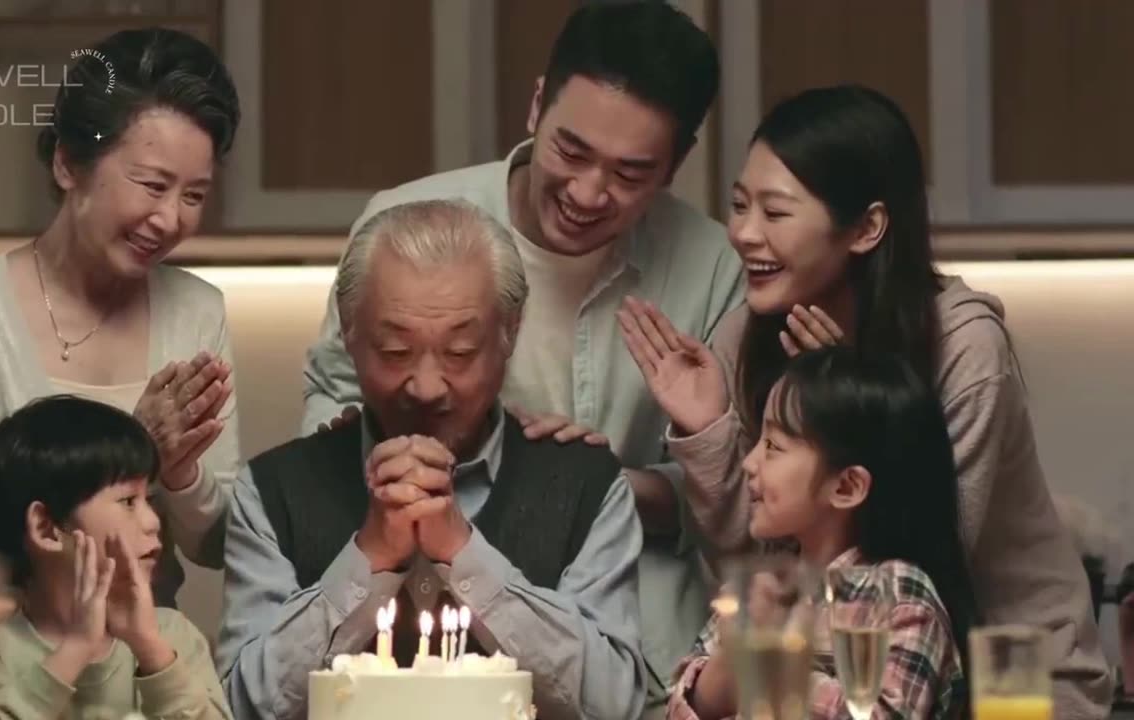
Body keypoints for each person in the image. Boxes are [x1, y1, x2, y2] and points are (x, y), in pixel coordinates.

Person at [619, 84, 1113, 718]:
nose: (742, 233)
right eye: (740, 205)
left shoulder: (964, 346)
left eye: (776, 212)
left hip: (1017, 677)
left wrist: (842, 402)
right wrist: (710, 431)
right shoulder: (745, 335)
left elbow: (923, 555)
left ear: (867, 228)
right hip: (814, 670)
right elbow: (761, 569)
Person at [299, 2, 743, 706]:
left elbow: (731, 501)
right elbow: (326, 417)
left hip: (631, 656)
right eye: (572, 150)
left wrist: (593, 488)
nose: (589, 192)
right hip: (427, 635)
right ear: (537, 103)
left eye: (631, 173)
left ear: (679, 161)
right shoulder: (405, 219)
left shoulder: (712, 264)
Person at [217, 200, 645, 720]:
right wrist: (368, 558)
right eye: (395, 352)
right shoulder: (274, 490)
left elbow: (615, 703)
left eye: (460, 353)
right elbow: (237, 705)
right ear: (349, 334)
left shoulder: (586, 485)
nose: (425, 387)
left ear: (510, 331)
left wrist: (462, 553)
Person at [0, 27, 242, 606]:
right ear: (68, 164)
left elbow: (216, 543)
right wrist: (132, 451)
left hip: (145, 661)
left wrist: (182, 472)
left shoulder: (197, 310)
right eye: (152, 185)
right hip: (1, 660)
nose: (169, 220)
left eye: (193, 195)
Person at [661, 347, 973, 720]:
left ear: (846, 487)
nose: (749, 462)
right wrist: (732, 654)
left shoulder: (899, 593)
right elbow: (681, 709)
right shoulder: (769, 584)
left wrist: (773, 664)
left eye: (774, 446)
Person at [0, 395, 230, 719]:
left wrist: (149, 648)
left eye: (150, 498)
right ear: (46, 528)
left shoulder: (171, 636)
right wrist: (76, 649)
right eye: (128, 501)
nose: (153, 521)